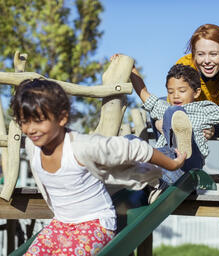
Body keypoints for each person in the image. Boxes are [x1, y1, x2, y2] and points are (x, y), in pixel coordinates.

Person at [11, 78, 186, 256]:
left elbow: (134, 148)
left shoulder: (82, 146)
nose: (30, 129)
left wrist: (172, 164)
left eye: (39, 120)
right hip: (61, 224)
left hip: (95, 223)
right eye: (24, 121)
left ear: (62, 117)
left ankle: (171, 154)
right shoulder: (33, 146)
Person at [129, 63, 219, 183]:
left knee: (173, 112)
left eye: (182, 90)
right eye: (170, 92)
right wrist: (130, 67)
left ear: (196, 92)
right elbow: (143, 93)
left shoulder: (204, 109)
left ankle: (181, 141)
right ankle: (154, 184)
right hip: (165, 162)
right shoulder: (164, 108)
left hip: (190, 164)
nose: (175, 95)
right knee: (130, 140)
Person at [176, 24, 219, 139]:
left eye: (213, 54)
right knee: (161, 106)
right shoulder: (185, 66)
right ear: (194, 53)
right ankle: (170, 153)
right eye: (201, 54)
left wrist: (217, 129)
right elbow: (175, 98)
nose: (207, 60)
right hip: (195, 108)